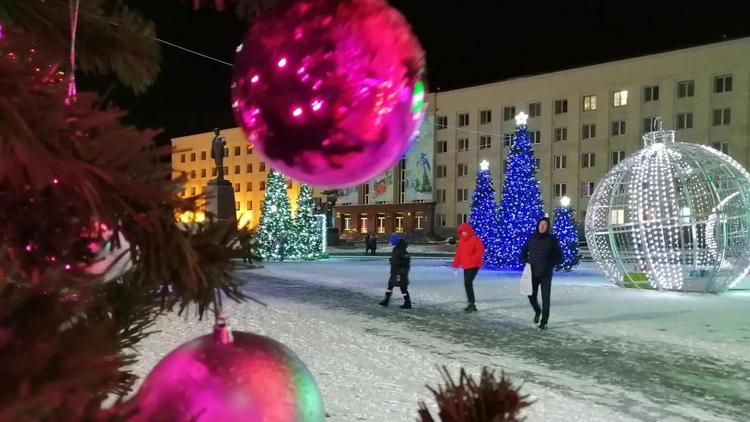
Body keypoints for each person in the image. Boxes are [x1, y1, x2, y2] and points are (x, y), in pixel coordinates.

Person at [521, 217, 562, 330]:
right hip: (533, 273)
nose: (542, 226)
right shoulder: (531, 238)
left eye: (545, 225)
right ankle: (537, 311)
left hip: (545, 274)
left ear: (548, 227)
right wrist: (525, 261)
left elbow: (559, 256)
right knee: (531, 296)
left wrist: (551, 264)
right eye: (541, 224)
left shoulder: (552, 239)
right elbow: (523, 251)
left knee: (545, 298)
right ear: (538, 225)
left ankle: (544, 322)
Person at [452, 222, 484, 312]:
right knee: (467, 283)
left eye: (465, 231)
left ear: (468, 231)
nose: (463, 233)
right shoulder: (461, 241)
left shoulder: (475, 239)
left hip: (474, 265)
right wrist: (455, 264)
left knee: (467, 282)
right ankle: (471, 303)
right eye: (461, 232)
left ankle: (472, 304)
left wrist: (472, 259)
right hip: (466, 265)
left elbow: (480, 251)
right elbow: (459, 254)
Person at [379, 239, 412, 309]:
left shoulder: (400, 251)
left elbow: (404, 261)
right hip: (396, 272)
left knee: (402, 288)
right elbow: (400, 260)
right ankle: (386, 300)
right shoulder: (400, 251)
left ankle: (407, 302)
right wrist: (392, 260)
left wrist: (401, 267)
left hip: (399, 273)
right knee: (391, 286)